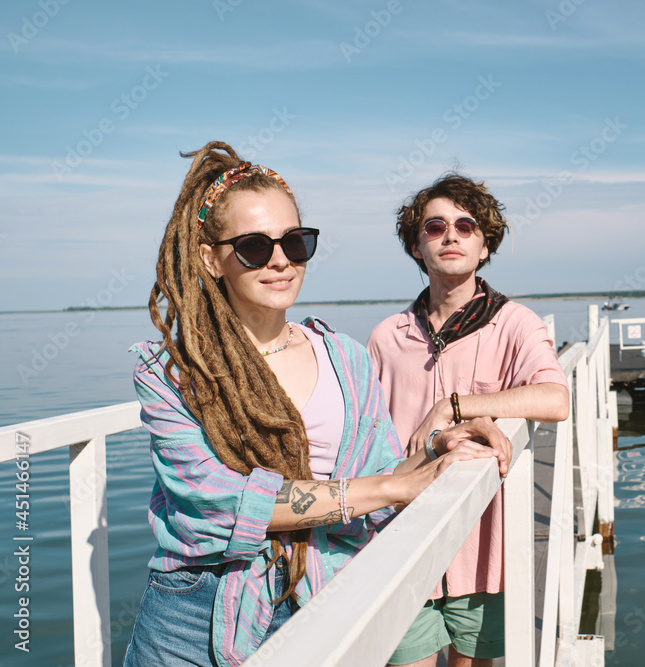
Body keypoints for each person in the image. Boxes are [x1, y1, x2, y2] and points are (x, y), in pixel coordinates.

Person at [122, 143, 510, 667]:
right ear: (209, 258)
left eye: (295, 242)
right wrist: (391, 486)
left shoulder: (344, 358)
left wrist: (440, 447)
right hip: (198, 614)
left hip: (325, 596)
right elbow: (213, 502)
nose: (280, 260)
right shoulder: (174, 371)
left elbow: (379, 472)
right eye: (254, 247)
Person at [366, 173, 570, 666]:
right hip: (403, 540)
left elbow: (556, 399)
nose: (450, 235)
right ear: (417, 247)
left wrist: (458, 405)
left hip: (483, 551)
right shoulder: (386, 337)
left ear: (484, 246)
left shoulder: (514, 322)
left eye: (465, 225)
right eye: (435, 227)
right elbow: (365, 438)